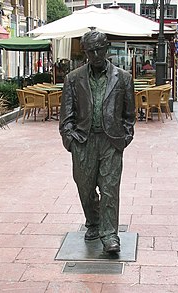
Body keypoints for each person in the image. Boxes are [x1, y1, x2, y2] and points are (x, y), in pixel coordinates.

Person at [59, 30, 135, 253]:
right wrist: (70, 139)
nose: (95, 54)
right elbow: (66, 115)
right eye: (90, 50)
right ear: (85, 52)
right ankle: (93, 222)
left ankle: (110, 234)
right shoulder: (73, 78)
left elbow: (129, 114)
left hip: (111, 141)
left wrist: (125, 137)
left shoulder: (123, 77)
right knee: (85, 187)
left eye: (99, 49)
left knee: (110, 188)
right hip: (83, 140)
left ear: (107, 48)